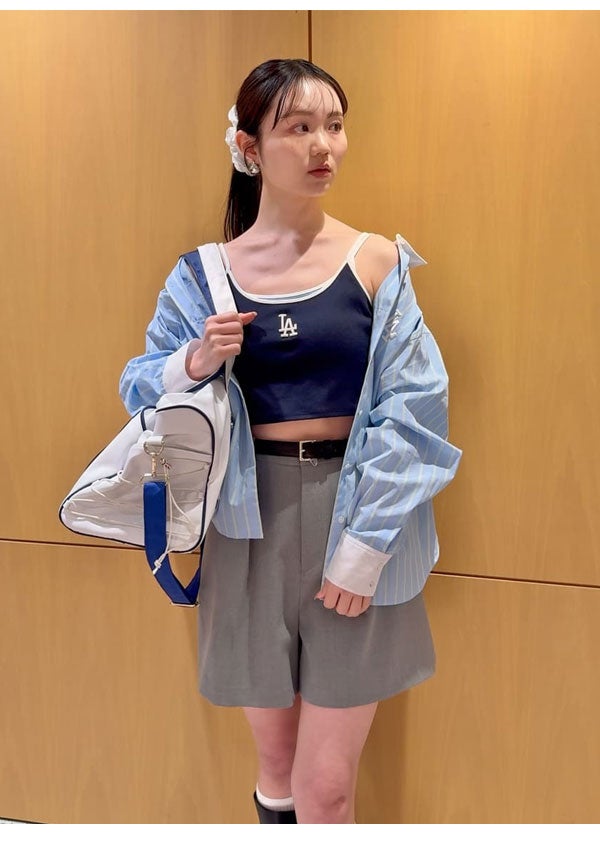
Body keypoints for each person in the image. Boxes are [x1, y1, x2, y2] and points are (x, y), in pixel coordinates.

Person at [119, 58, 463, 824]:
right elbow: (138, 385)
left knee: (326, 788)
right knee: (276, 767)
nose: (323, 146)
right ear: (249, 147)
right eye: (298, 127)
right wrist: (193, 361)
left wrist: (364, 547)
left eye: (334, 125)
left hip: (357, 510)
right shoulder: (202, 277)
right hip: (245, 520)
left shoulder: (376, 262)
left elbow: (416, 408)